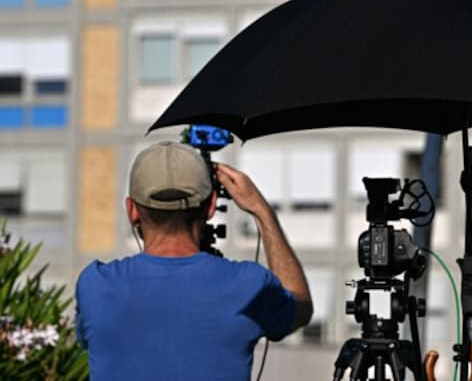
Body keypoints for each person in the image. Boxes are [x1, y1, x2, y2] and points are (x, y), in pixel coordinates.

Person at [75, 141, 313, 380]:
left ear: (132, 211)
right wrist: (262, 211)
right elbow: (300, 307)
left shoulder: (95, 284)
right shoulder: (249, 285)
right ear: (210, 207)